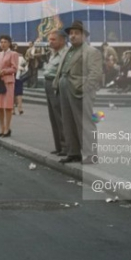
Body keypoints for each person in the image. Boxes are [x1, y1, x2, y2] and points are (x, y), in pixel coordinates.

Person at [54, 19, 103, 164]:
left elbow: (95, 74)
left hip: (80, 90)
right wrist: (57, 84)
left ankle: (91, 154)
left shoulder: (91, 51)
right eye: (71, 33)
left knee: (85, 122)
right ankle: (73, 152)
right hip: (65, 88)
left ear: (84, 36)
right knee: (68, 122)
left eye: (76, 33)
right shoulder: (68, 51)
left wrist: (85, 89)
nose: (73, 36)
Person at [42, 28, 68, 156]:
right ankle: (58, 146)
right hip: (48, 83)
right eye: (49, 40)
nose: (50, 42)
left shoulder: (66, 53)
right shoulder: (53, 52)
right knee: (53, 117)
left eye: (53, 39)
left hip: (56, 84)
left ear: (62, 40)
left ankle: (65, 146)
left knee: (60, 116)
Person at [0, 34, 20, 137]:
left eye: (5, 42)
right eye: (1, 42)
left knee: (7, 106)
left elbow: (14, 68)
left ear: (9, 43)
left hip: (8, 81)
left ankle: (7, 128)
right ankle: (2, 128)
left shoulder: (13, 54)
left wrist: (4, 71)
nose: (3, 44)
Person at [12, 45, 26, 115]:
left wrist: (20, 69)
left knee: (19, 93)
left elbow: (25, 67)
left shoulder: (20, 58)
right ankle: (12, 109)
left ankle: (20, 108)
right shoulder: (9, 56)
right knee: (12, 93)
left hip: (18, 77)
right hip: (11, 77)